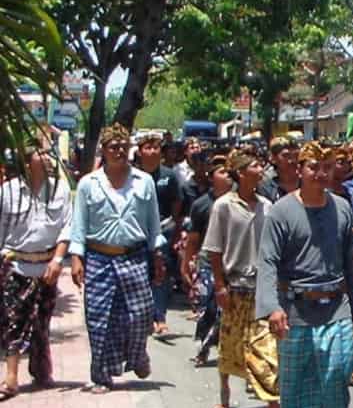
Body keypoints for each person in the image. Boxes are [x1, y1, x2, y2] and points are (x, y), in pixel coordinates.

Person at [256, 141, 353, 408]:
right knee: (296, 382)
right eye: (314, 166)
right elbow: (268, 262)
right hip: (294, 308)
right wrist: (272, 308)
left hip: (337, 305)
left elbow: (349, 260)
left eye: (327, 167)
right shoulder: (281, 212)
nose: (321, 173)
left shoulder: (342, 208)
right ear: (299, 169)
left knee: (338, 373)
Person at [68, 123, 167, 393]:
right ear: (104, 150)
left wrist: (158, 255)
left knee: (140, 314)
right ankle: (101, 376)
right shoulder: (88, 184)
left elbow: (153, 224)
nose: (119, 151)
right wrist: (76, 259)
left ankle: (138, 356)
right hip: (98, 258)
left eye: (124, 146)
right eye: (114, 147)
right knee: (100, 319)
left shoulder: (144, 181)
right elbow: (78, 225)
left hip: (134, 257)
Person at [204, 148, 279, 408]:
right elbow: (214, 249)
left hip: (261, 288)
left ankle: (272, 399)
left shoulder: (267, 206)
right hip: (233, 286)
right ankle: (225, 398)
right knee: (230, 345)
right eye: (255, 166)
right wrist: (219, 285)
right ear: (240, 172)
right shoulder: (223, 205)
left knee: (265, 345)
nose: (261, 171)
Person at [1, 139, 72, 398]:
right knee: (12, 321)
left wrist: (58, 260)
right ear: (26, 159)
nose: (46, 156)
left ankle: (41, 370)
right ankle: (11, 377)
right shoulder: (7, 191)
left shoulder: (60, 190)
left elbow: (66, 227)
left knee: (42, 321)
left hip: (47, 266)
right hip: (15, 264)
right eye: (40, 152)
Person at [185, 155, 233, 366]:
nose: (227, 176)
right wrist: (186, 262)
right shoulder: (201, 204)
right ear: (211, 176)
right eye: (222, 172)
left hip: (233, 263)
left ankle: (226, 348)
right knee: (208, 308)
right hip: (207, 263)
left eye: (229, 172)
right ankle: (202, 346)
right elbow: (193, 238)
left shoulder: (240, 202)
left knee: (226, 310)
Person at [136, 133, 183, 337]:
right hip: (138, 232)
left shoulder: (169, 176)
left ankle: (160, 317)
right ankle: (145, 317)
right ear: (140, 152)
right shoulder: (133, 176)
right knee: (140, 275)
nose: (152, 151)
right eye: (148, 148)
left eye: (156, 147)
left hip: (163, 230)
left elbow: (177, 206)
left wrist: (175, 232)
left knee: (161, 275)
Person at [258, 137, 300, 202]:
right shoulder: (264, 185)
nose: (292, 160)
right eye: (286, 155)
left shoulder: (308, 181)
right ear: (273, 158)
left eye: (296, 155)